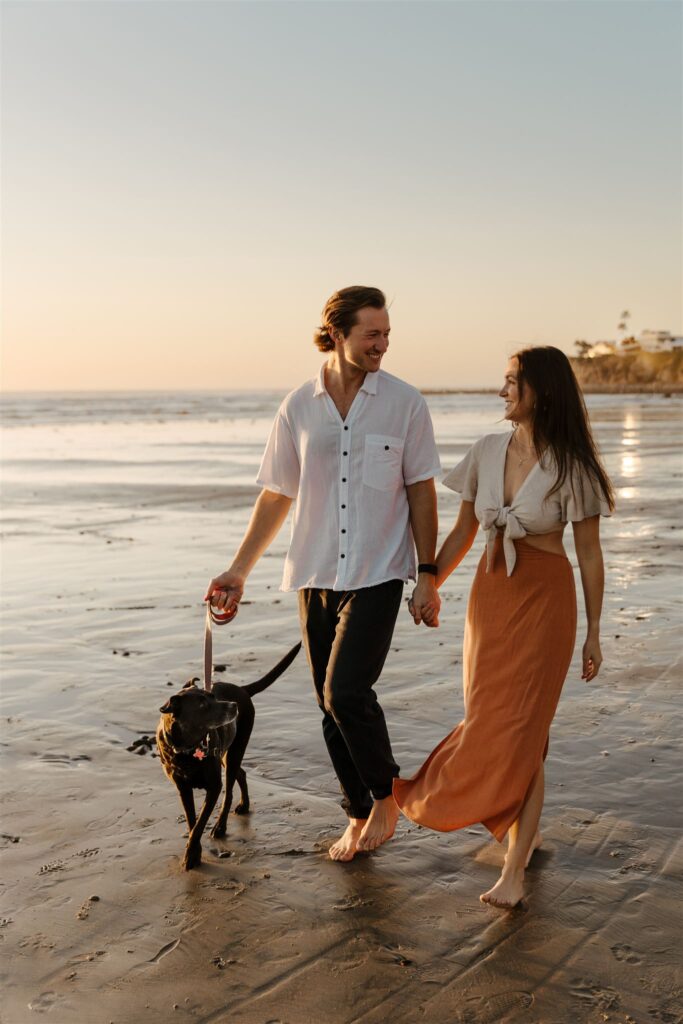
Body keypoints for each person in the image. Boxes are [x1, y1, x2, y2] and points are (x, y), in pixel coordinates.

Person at [206, 286, 442, 862]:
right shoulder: (298, 406)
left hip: (380, 570)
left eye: (387, 335)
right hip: (314, 572)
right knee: (327, 704)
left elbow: (422, 492)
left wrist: (428, 574)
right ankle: (358, 815)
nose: (383, 345)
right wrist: (239, 569)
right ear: (336, 333)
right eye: (372, 335)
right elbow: (277, 493)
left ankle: (387, 793)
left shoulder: (405, 403)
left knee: (346, 691)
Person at [394, 346, 614, 907]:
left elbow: (589, 554)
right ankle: (524, 827)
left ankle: (514, 872)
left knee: (525, 730)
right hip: (491, 598)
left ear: (542, 388)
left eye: (513, 381)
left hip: (545, 600)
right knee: (488, 718)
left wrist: (593, 631)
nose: (503, 391)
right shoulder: (487, 450)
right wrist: (429, 581)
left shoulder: (573, 465)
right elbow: (465, 532)